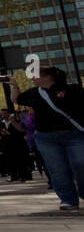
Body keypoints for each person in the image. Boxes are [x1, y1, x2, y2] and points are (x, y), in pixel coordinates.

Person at [11, 67, 84, 210]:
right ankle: (68, 199)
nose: (33, 78)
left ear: (47, 77)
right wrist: (14, 85)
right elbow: (16, 99)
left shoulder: (72, 90)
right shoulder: (34, 93)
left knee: (80, 163)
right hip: (47, 138)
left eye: (36, 76)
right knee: (58, 169)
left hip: (74, 134)